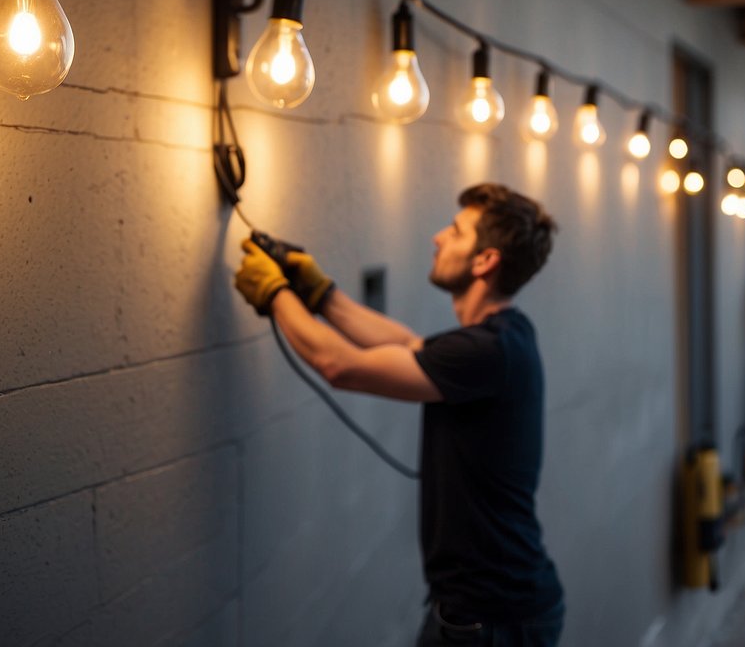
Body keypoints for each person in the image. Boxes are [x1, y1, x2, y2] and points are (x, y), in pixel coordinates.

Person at [234, 182, 564, 646]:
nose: (437, 237)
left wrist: (274, 292)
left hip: (492, 620)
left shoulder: (490, 350)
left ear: (485, 261)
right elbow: (407, 344)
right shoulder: (503, 336)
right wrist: (319, 293)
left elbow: (339, 366)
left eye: (455, 231)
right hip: (495, 608)